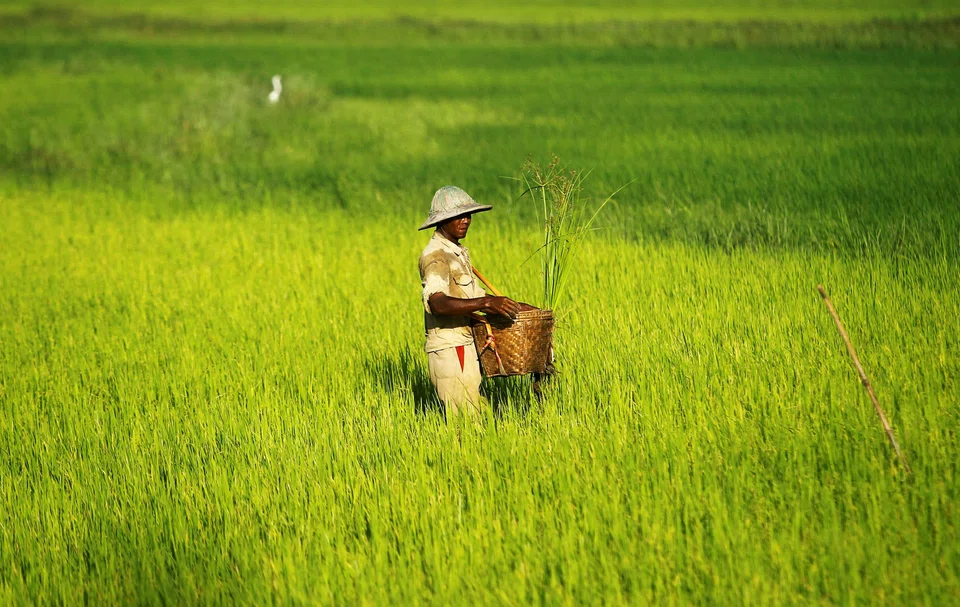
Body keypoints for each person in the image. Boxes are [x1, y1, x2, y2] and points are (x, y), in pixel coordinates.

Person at [418, 186, 521, 417]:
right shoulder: (436, 256)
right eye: (457, 216)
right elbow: (438, 303)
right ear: (442, 221)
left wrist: (511, 306)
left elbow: (473, 296)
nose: (465, 220)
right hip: (451, 350)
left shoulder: (457, 251)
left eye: (468, 214)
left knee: (476, 415)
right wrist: (485, 305)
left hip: (466, 345)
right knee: (465, 423)